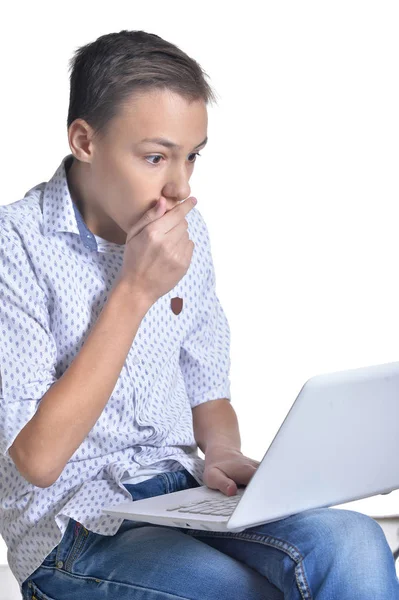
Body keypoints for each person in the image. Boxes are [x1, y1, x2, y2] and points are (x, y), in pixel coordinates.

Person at [0, 29, 397, 600]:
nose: (180, 185)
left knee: (355, 541)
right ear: (85, 141)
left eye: (193, 157)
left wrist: (225, 454)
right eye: (156, 157)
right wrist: (134, 291)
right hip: (75, 528)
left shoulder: (187, 231)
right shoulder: (16, 245)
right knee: (234, 590)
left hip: (184, 494)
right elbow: (37, 460)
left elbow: (206, 386)